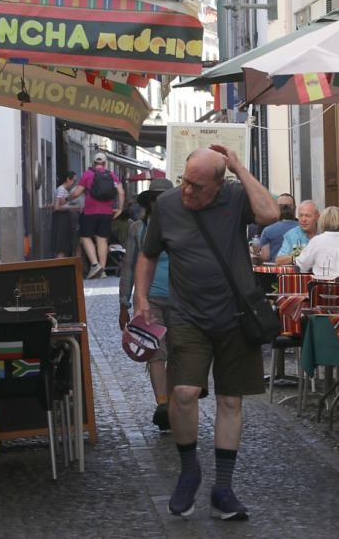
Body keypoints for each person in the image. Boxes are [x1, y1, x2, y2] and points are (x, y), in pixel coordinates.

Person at [133, 145, 278, 521]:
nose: (187, 191)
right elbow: (147, 254)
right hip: (188, 318)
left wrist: (240, 168)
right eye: (185, 181)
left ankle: (223, 489)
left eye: (197, 186)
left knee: (231, 402)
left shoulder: (234, 195)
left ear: (219, 183)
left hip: (235, 317)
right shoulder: (166, 206)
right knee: (182, 393)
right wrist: (141, 298)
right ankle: (189, 470)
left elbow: (270, 213)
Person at [118, 178, 174, 431]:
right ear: (150, 201)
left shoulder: (184, 226)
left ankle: (174, 403)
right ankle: (162, 404)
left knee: (179, 352)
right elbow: (128, 267)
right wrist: (124, 303)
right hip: (149, 301)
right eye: (156, 198)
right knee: (156, 352)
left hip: (183, 299)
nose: (161, 202)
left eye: (165, 197)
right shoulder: (137, 229)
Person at [68, 152, 125, 279]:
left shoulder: (88, 174)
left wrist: (67, 199)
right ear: (105, 163)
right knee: (102, 239)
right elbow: (121, 192)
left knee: (85, 236)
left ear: (94, 163)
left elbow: (77, 193)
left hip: (90, 211)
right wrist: (120, 209)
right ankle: (103, 271)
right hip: (107, 212)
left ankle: (95, 264)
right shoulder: (112, 175)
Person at [275, 200, 319, 265]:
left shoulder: (324, 234)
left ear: (317, 217)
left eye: (308, 216)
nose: (303, 219)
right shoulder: (291, 235)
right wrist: (298, 257)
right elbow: (279, 261)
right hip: (298, 274)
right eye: (301, 215)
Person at [50, 170, 78, 258]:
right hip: (61, 219)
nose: (74, 183)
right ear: (67, 179)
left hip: (64, 218)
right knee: (62, 247)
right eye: (73, 180)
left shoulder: (64, 190)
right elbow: (57, 207)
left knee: (65, 247)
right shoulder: (61, 190)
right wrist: (73, 207)